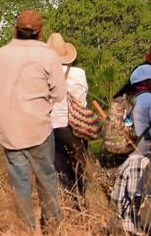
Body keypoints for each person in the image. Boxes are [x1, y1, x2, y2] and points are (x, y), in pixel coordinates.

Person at [0, 10, 66, 230]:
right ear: (40, 32)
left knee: (19, 185)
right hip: (38, 128)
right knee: (47, 180)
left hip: (9, 131)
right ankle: (53, 229)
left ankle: (26, 230)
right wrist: (44, 106)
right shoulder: (48, 55)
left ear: (15, 29)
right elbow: (59, 93)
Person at [47, 32, 88, 207]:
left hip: (53, 127)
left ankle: (65, 205)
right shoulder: (78, 73)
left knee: (60, 171)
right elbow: (82, 100)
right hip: (75, 127)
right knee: (79, 170)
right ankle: (81, 203)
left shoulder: (45, 73)